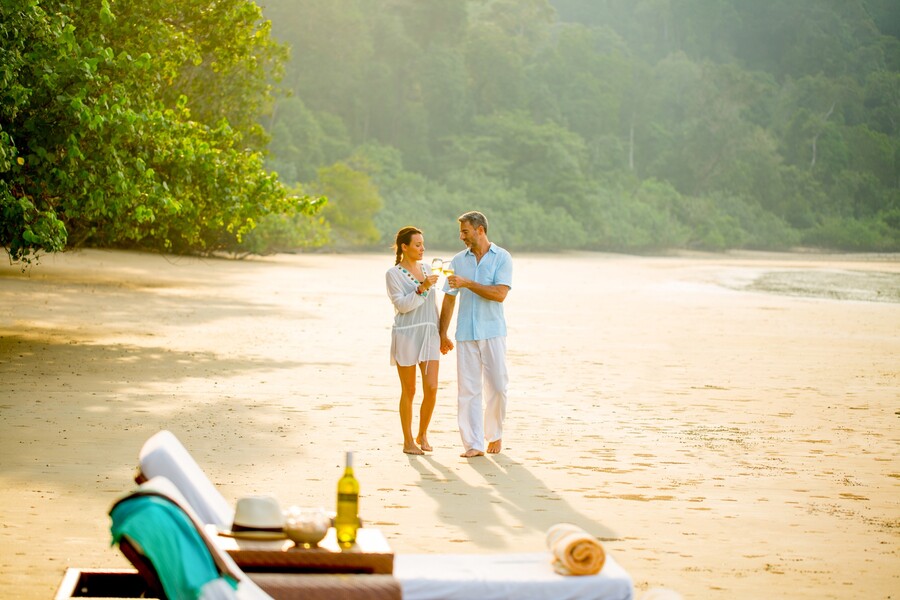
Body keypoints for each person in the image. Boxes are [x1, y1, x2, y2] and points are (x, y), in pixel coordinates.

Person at [439, 211, 512, 458]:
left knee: (498, 386)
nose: (461, 236)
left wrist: (468, 283)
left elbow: (500, 294)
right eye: (460, 232)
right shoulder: (457, 261)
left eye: (465, 231)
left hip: (493, 331)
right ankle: (473, 444)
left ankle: (495, 433)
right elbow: (449, 299)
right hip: (466, 333)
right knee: (468, 390)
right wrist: (443, 334)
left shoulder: (502, 257)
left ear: (480, 230)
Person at [386, 226, 441, 455]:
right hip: (407, 333)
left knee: (432, 388)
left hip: (429, 333)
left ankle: (422, 434)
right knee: (409, 390)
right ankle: (408, 441)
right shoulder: (393, 274)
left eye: (423, 244)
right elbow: (402, 306)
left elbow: (433, 305)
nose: (422, 249)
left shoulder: (428, 269)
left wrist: (442, 334)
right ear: (404, 247)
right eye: (417, 245)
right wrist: (423, 287)